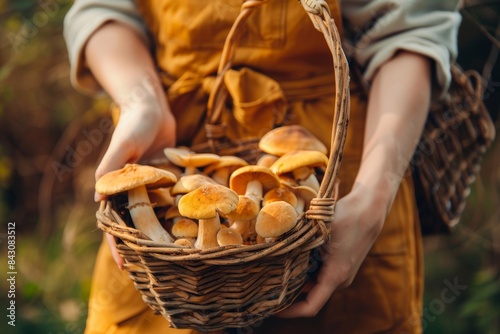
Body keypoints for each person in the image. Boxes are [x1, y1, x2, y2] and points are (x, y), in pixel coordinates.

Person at [64, 1, 461, 333]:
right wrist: (142, 102)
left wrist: (374, 194)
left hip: (340, 169)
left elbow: (413, 30)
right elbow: (101, 10)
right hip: (165, 148)